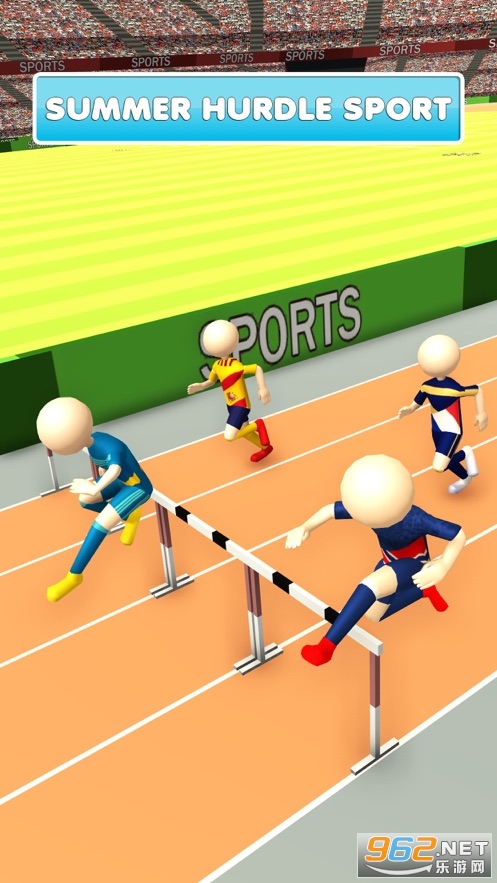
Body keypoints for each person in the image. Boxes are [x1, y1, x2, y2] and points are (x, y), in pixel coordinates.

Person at [285, 455, 465, 666]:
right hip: (389, 561)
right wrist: (305, 527)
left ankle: (326, 647)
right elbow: (330, 510)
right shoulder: (367, 507)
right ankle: (422, 591)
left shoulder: (415, 518)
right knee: (374, 615)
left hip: (415, 564)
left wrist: (443, 566)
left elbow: (458, 535)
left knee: (369, 586)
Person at [36, 397, 153, 602]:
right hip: (121, 482)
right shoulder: (92, 441)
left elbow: (115, 469)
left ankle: (74, 576)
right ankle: (131, 516)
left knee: (100, 524)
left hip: (137, 487)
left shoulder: (109, 445)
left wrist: (95, 488)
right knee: (84, 500)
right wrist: (97, 481)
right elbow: (107, 467)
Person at [398, 334, 488, 493]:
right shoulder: (426, 386)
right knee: (445, 461)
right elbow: (417, 402)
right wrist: (409, 409)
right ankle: (465, 475)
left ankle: (466, 454)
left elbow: (477, 390)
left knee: (439, 466)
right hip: (436, 429)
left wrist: (481, 414)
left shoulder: (453, 389)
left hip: (452, 430)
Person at [187, 319, 273, 462]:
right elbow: (211, 381)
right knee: (245, 431)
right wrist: (200, 386)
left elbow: (256, 368)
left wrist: (263, 388)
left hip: (241, 404)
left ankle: (258, 425)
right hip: (230, 405)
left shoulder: (235, 366)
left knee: (229, 436)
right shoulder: (217, 366)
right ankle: (265, 448)